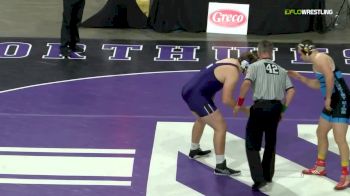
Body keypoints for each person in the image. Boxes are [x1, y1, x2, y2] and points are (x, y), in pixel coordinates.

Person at [181, 52, 258, 176]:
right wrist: (244, 110)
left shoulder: (230, 61)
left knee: (202, 119)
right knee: (221, 127)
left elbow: (209, 78)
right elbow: (226, 99)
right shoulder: (233, 72)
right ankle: (220, 166)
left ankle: (194, 149)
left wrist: (209, 98)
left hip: (192, 90)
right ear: (246, 65)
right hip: (198, 96)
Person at [288, 40, 350, 190]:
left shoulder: (320, 58)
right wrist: (299, 77)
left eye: (299, 53)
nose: (299, 57)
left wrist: (328, 98)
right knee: (321, 132)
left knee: (340, 139)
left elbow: (329, 77)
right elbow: (318, 84)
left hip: (340, 100)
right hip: (332, 101)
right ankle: (320, 167)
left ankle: (346, 176)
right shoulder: (317, 62)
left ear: (306, 51)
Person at [234, 40, 295, 191]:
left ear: (259, 52)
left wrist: (239, 103)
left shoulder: (254, 66)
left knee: (252, 143)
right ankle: (268, 175)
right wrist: (283, 110)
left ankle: (259, 179)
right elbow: (291, 91)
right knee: (270, 143)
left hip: (260, 107)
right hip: (275, 108)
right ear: (272, 51)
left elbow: (246, 84)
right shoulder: (281, 70)